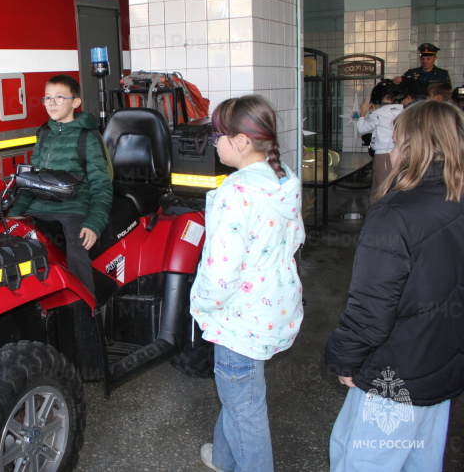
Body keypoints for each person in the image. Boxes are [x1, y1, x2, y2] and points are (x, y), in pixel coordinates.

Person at [325, 100, 464, 472]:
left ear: (411, 145)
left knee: (361, 459)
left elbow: (372, 305)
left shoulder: (396, 212)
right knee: (421, 460)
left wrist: (344, 358)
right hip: (443, 365)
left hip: (395, 372)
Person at [190, 95, 305, 472]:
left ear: (240, 141)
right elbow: (296, 238)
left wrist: (202, 305)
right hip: (275, 305)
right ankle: (224, 458)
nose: (214, 143)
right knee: (242, 396)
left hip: (239, 317)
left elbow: (220, 272)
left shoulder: (235, 192)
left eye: (217, 136)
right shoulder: (284, 176)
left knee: (245, 409)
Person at [9, 74, 112, 293]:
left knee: (77, 251)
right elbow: (31, 180)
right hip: (38, 207)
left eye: (59, 97)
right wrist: (16, 211)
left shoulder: (87, 137)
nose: (51, 103)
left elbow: (101, 185)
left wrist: (94, 223)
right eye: (47, 98)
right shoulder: (44, 134)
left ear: (75, 102)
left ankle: (86, 307)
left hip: (72, 208)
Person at [353, 80, 404, 197]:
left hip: (383, 155)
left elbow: (362, 128)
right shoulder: (402, 110)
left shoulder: (379, 113)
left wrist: (363, 112)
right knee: (395, 186)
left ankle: (377, 213)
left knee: (379, 188)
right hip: (400, 153)